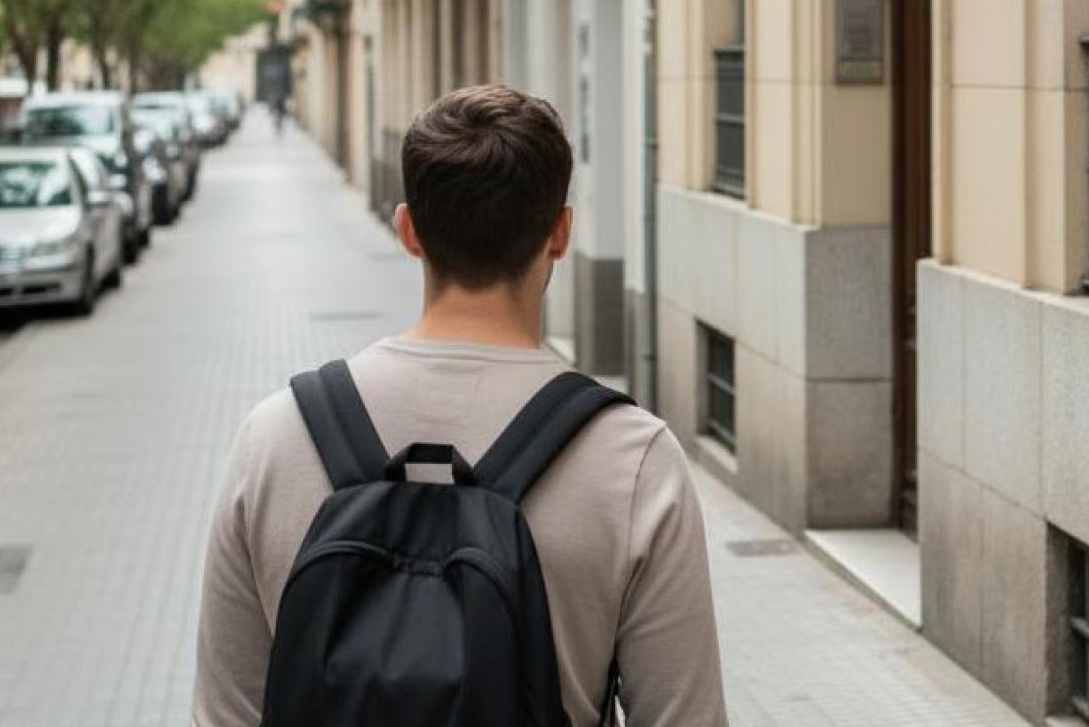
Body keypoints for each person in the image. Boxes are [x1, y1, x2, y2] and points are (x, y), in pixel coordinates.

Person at [193, 85, 727, 726]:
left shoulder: (276, 438)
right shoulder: (633, 461)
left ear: (408, 230)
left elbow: (225, 715)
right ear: (560, 233)